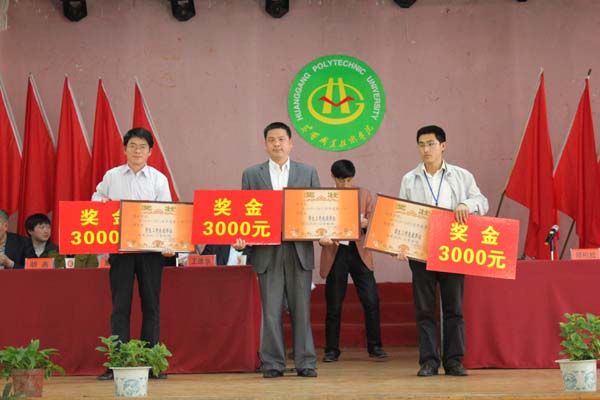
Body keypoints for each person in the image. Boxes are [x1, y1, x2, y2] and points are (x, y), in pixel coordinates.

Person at [397, 125, 488, 377]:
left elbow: (482, 202)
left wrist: (465, 204)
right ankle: (428, 361)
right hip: (421, 251)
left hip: (452, 250)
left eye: (431, 144)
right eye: (421, 145)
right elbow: (401, 215)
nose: (426, 149)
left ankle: (454, 361)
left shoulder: (462, 176)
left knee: (453, 308)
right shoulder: (409, 179)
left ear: (443, 146)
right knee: (424, 309)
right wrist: (399, 245)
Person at [92, 127, 174, 380]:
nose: (137, 151)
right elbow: (97, 197)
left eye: (142, 147)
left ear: (150, 152)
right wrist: (101, 204)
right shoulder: (112, 176)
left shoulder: (159, 179)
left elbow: (168, 214)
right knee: (120, 307)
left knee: (151, 306)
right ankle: (117, 363)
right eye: (133, 146)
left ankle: (152, 363)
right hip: (121, 251)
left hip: (151, 252)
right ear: (125, 149)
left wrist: (169, 244)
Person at [241, 121, 320, 378]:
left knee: (301, 310)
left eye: (281, 139)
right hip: (267, 251)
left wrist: (325, 233)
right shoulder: (251, 174)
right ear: (265, 144)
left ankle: (306, 362)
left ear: (290, 143)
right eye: (271, 140)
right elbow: (244, 213)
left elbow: (317, 209)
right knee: (271, 311)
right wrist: (241, 238)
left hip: (299, 250)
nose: (277, 144)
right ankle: (273, 363)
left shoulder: (308, 172)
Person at [319, 160, 387, 363]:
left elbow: (374, 223)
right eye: (341, 180)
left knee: (371, 300)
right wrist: (321, 237)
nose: (345, 184)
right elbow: (315, 224)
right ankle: (331, 349)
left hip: (359, 251)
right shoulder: (324, 197)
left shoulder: (364, 194)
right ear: (333, 177)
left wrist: (366, 224)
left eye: (348, 180)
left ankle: (375, 347)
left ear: (353, 178)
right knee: (333, 303)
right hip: (335, 251)